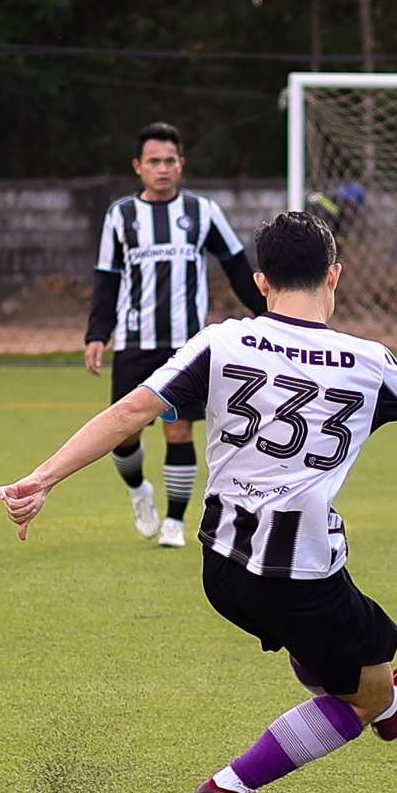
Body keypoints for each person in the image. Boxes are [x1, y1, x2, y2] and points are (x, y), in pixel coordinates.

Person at [3, 212, 397, 793]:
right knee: (364, 698)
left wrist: (43, 478)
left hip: (222, 567)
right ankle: (235, 785)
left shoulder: (220, 342)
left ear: (261, 281)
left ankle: (386, 701)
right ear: (334, 275)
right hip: (300, 574)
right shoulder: (367, 361)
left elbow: (131, 411)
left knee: (335, 655)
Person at [85, 122, 267, 548]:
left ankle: (174, 521)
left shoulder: (203, 212)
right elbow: (107, 278)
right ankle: (138, 491)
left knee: (180, 429)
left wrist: (270, 315)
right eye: (154, 161)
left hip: (187, 346)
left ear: (181, 164)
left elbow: (236, 267)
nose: (163, 169)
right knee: (124, 434)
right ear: (138, 166)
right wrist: (97, 332)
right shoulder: (120, 216)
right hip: (135, 342)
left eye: (170, 161)